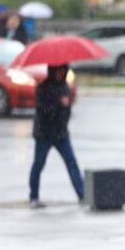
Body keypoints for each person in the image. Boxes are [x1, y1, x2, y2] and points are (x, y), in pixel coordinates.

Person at [29, 64, 84, 208]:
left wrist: (63, 108)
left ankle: (82, 194)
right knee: (38, 164)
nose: (60, 73)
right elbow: (42, 111)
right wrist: (58, 104)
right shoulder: (43, 88)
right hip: (44, 134)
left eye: (63, 70)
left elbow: (66, 113)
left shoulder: (65, 88)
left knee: (71, 163)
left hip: (61, 134)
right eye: (57, 70)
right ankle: (34, 197)